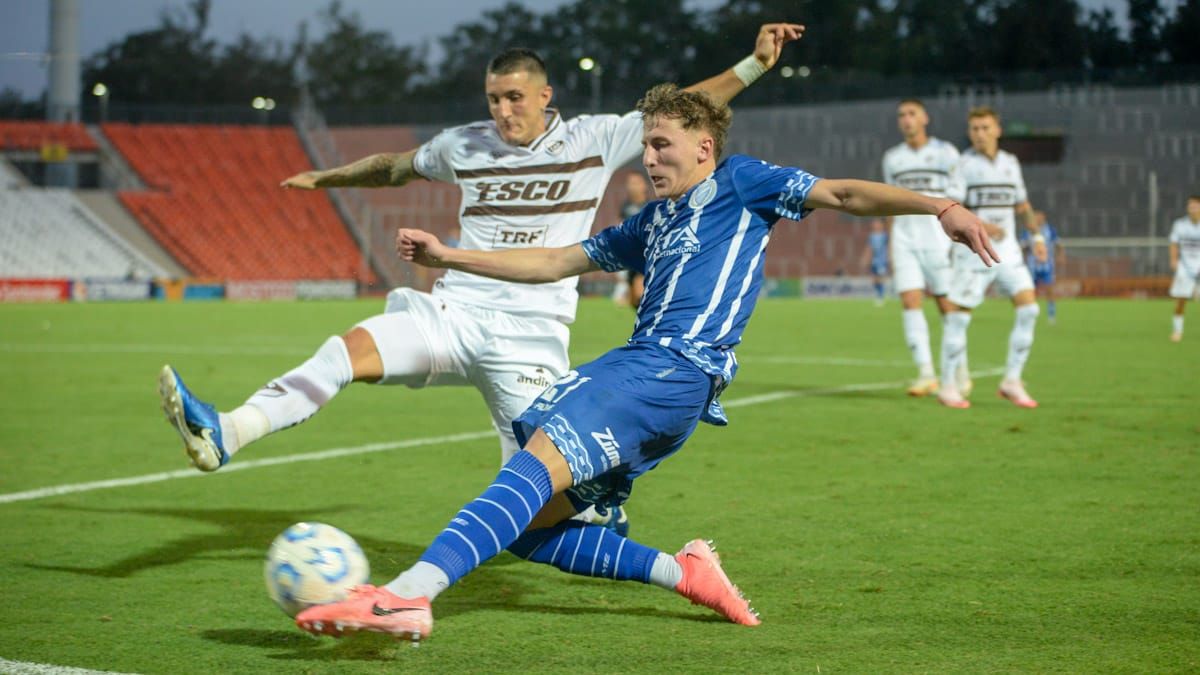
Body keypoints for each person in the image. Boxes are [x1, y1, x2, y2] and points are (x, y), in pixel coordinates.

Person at [293, 83, 998, 642]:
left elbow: (843, 193)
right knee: (535, 532)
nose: (649, 158)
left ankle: (406, 596)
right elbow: (555, 260)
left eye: (662, 145)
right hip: (651, 376)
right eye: (645, 147)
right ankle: (683, 570)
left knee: (528, 468)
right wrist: (452, 255)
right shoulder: (650, 222)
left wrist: (939, 207)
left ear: (705, 147)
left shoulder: (744, 184)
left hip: (671, 369)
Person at [157, 26, 805, 536]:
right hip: (454, 313)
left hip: (531, 336)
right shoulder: (463, 144)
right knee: (347, 349)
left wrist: (753, 65)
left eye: (515, 97)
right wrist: (325, 178)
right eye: (494, 98)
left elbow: (689, 112)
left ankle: (604, 520)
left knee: (538, 503)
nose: (502, 110)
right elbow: (393, 168)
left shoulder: (595, 138)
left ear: (544, 96)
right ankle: (229, 430)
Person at [938, 106, 1047, 410]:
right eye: (974, 129)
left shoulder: (1010, 163)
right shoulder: (963, 165)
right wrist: (982, 226)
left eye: (985, 128)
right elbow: (951, 208)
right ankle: (948, 386)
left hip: (1009, 250)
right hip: (973, 251)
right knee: (959, 317)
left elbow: (1023, 205)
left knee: (1029, 310)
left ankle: (1012, 380)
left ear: (998, 130)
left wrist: (1037, 237)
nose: (980, 134)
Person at [880, 98, 965, 396]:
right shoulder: (893, 158)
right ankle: (927, 373)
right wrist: (891, 242)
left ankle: (958, 369)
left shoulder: (946, 153)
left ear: (925, 118)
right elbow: (891, 203)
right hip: (905, 239)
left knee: (946, 304)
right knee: (910, 301)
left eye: (912, 114)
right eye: (901, 115)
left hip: (938, 239)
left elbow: (959, 200)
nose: (906, 119)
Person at [1019, 210, 1064, 323]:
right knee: (1030, 291)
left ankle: (1051, 315)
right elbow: (1022, 246)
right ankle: (1030, 315)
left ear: (1043, 218)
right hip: (1031, 265)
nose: (1038, 219)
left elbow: (1058, 244)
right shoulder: (1027, 231)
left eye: (1040, 217)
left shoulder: (1050, 230)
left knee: (1050, 289)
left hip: (1047, 265)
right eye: (1035, 217)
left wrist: (1061, 256)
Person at [1168, 195, 1200, 342]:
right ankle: (1177, 331)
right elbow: (1174, 243)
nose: (1192, 208)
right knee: (1181, 300)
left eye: (1195, 205)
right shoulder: (1180, 224)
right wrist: (1174, 260)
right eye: (1190, 205)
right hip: (1185, 268)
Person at [619, 172, 650, 308]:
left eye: (636, 183)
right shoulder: (625, 207)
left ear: (644, 186)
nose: (632, 187)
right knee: (633, 302)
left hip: (645, 256)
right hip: (630, 256)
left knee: (640, 295)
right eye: (630, 183)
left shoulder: (650, 208)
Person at [860, 218, 890, 306]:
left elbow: (888, 247)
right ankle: (878, 294)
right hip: (874, 261)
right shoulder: (872, 236)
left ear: (882, 225)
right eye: (874, 223)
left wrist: (889, 257)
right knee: (874, 279)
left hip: (882, 261)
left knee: (880, 278)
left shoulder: (885, 236)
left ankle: (881, 296)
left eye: (877, 223)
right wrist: (865, 258)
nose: (875, 225)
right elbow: (869, 248)